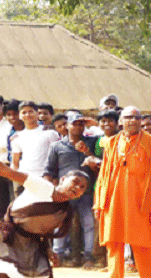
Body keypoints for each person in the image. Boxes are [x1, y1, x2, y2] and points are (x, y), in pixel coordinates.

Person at [0, 144, 89, 278]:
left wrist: (48, 250)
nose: (77, 187)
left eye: (82, 187)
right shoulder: (42, 186)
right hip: (7, 240)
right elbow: (5, 171)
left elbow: (42, 230)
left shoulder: (64, 210)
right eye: (75, 182)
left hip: (31, 249)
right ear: (63, 179)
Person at [95, 106, 151, 278]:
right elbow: (103, 176)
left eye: (136, 117)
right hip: (115, 203)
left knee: (144, 245)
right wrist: (99, 203)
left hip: (141, 205)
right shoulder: (111, 143)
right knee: (113, 244)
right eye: (128, 117)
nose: (132, 120)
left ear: (141, 121)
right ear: (120, 121)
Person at [44, 110, 101, 268]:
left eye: (81, 124)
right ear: (67, 126)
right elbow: (49, 170)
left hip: (86, 192)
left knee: (88, 224)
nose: (78, 127)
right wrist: (50, 191)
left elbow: (107, 137)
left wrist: (94, 124)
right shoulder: (57, 146)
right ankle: (58, 255)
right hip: (64, 193)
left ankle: (88, 256)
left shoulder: (92, 141)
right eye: (74, 124)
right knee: (61, 224)